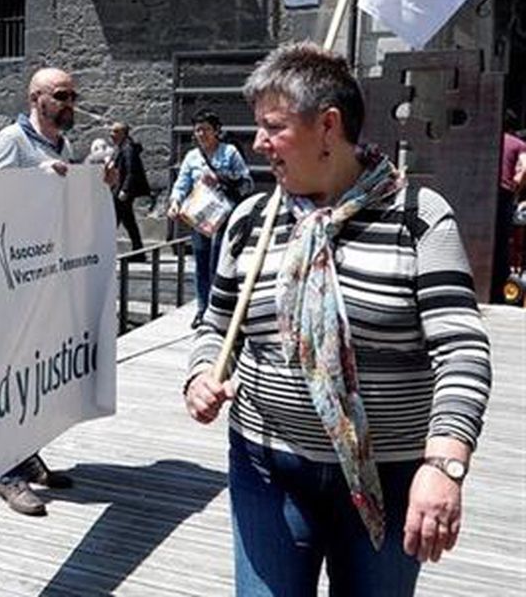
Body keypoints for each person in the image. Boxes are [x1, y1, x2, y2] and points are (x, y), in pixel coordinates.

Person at [182, 42, 492, 597]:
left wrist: (445, 465)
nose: (257, 144)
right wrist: (201, 373)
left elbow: (463, 351)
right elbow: (215, 326)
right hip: (267, 469)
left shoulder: (418, 217)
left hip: (390, 476)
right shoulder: (252, 219)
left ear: (328, 127)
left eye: (272, 127)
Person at [0, 67, 78, 516]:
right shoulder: (11, 141)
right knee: (14, 377)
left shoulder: (65, 144)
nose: (69, 102)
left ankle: (30, 454)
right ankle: (10, 476)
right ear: (35, 97)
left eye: (72, 95)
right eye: (61, 95)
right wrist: (38, 176)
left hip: (47, 276)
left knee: (40, 376)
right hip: (12, 281)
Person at [167, 109, 253, 327]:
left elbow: (247, 183)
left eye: (205, 129)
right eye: (197, 130)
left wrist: (220, 179)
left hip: (224, 217)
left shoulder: (230, 153)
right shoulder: (191, 157)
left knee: (220, 263)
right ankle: (202, 309)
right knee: (202, 264)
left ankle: (220, 310)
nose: (200, 134)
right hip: (200, 219)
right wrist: (175, 202)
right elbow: (181, 184)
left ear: (216, 131)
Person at [491, 120, 526, 302]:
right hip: (504, 192)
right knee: (503, 239)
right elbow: (524, 168)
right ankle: (498, 286)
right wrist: (516, 189)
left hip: (483, 192)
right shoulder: (518, 144)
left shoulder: (489, 140)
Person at [107, 122, 152, 251]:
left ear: (123, 133)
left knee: (113, 220)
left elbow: (132, 171)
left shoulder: (128, 148)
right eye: (111, 131)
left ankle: (104, 249)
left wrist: (125, 190)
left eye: (115, 131)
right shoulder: (121, 147)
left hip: (122, 191)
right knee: (128, 221)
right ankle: (138, 250)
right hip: (119, 189)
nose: (111, 134)